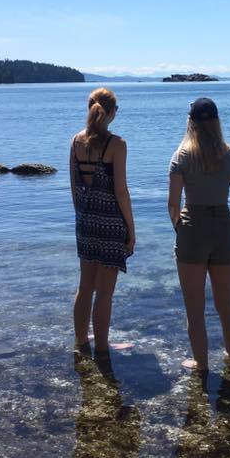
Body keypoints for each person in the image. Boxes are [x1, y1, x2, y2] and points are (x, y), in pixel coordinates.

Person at [168, 97, 230, 373]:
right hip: (223, 229)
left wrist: (181, 229)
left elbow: (172, 205)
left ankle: (201, 367)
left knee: (195, 309)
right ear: (216, 121)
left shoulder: (181, 156)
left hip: (192, 229)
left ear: (190, 122)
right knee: (227, 305)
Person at [70, 87, 135, 357]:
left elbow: (75, 187)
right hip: (110, 223)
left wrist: (83, 218)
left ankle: (81, 340)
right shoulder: (116, 145)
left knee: (85, 286)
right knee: (105, 292)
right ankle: (103, 347)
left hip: (85, 221)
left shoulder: (76, 141)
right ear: (109, 113)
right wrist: (131, 229)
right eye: (116, 109)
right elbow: (121, 191)